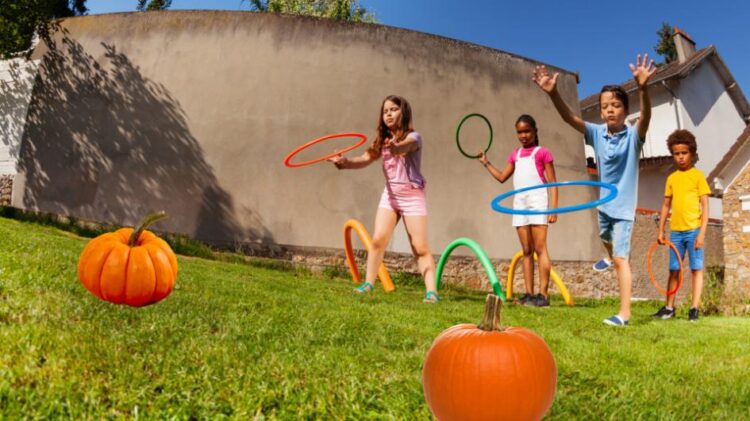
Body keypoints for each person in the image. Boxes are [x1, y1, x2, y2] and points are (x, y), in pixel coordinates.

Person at [533, 54, 656, 326]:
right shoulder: (597, 134)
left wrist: (645, 88)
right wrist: (553, 95)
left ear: (625, 109)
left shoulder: (634, 137)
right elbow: (570, 119)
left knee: (622, 259)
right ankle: (609, 256)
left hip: (623, 208)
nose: (609, 110)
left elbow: (646, 118)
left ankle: (624, 314)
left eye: (615, 105)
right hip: (604, 205)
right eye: (604, 107)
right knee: (605, 237)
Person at [328, 95, 438, 303]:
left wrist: (396, 148)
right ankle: (368, 284)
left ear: (403, 112)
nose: (388, 114)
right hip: (390, 196)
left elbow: (406, 146)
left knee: (420, 247)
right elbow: (365, 158)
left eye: (394, 109)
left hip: (412, 195)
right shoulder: (381, 140)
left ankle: (431, 292)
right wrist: (344, 162)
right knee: (378, 240)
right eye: (385, 111)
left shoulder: (414, 137)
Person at [477, 115, 558, 307]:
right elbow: (502, 177)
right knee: (527, 251)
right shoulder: (515, 154)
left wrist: (554, 208)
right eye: (520, 132)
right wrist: (486, 163)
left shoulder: (542, 153)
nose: (523, 135)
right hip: (520, 202)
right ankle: (529, 294)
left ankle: (543, 295)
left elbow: (553, 182)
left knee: (540, 248)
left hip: (538, 200)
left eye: (527, 131)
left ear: (535, 131)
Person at [653, 130, 710, 322]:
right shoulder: (672, 178)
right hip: (675, 231)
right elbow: (665, 205)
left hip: (694, 230)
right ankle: (669, 308)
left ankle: (694, 308)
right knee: (674, 270)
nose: (680, 157)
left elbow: (705, 206)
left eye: (684, 153)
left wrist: (702, 234)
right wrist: (661, 230)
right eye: (676, 154)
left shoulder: (698, 176)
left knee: (696, 269)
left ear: (692, 153)